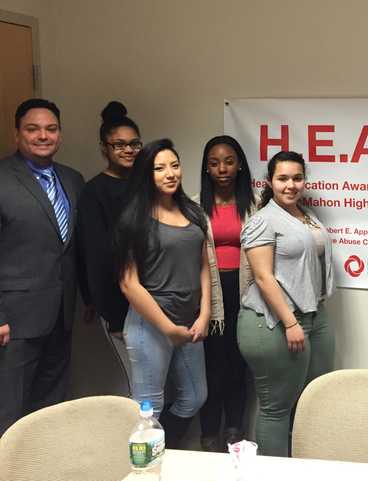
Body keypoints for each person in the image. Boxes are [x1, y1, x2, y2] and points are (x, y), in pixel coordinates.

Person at [115, 138, 222, 448]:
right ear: (146, 174)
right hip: (150, 325)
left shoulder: (193, 213)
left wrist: (205, 314)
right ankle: (143, 467)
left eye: (174, 165)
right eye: (159, 168)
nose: (170, 173)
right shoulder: (133, 219)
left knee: (194, 397)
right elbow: (128, 283)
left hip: (189, 324)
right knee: (149, 409)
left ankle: (162, 450)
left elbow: (204, 266)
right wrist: (167, 328)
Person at [238, 150, 335, 456]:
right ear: (270, 182)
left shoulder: (304, 215)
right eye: (282, 179)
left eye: (297, 178)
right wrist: (290, 323)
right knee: (276, 408)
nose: (290, 185)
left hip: (313, 315)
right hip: (275, 322)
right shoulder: (263, 221)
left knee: (315, 399)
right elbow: (264, 277)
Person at [0, 98, 85, 435]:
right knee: (10, 407)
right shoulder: (3, 178)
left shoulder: (73, 179)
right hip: (15, 320)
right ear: (17, 133)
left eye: (50, 129)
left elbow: (73, 247)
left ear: (60, 134)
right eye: (32, 129)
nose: (42, 136)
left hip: (61, 313)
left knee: (50, 407)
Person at [197, 135, 255, 452]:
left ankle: (235, 432)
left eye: (229, 161)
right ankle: (208, 435)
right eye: (215, 162)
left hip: (245, 295)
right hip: (209, 296)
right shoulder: (192, 206)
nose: (222, 168)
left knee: (238, 366)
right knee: (211, 368)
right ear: (206, 168)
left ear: (240, 165)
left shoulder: (255, 206)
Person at [77, 101, 141, 375]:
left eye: (134, 144)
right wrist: (112, 315)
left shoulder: (148, 184)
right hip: (120, 308)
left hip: (154, 303)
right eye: (119, 144)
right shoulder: (94, 192)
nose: (128, 150)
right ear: (105, 148)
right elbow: (96, 257)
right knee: (138, 386)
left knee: (162, 387)